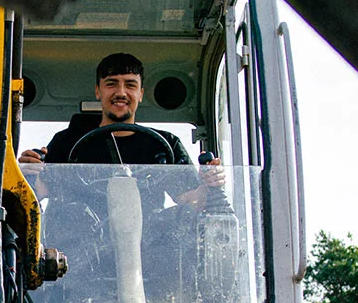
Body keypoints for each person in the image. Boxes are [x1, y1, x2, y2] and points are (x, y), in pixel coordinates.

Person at [17, 52, 223, 205]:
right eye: (111, 84)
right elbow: (39, 191)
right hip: (77, 257)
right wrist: (29, 171)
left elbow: (189, 199)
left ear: (141, 94)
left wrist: (208, 185)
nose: (121, 92)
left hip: (150, 254)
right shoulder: (67, 143)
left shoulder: (164, 146)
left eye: (130, 85)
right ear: (98, 91)